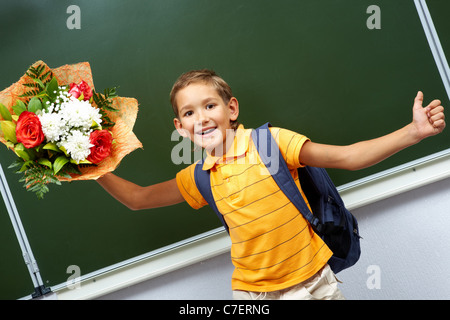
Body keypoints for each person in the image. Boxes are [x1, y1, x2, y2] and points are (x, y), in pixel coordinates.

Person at [97, 69, 445, 300]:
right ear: (180, 127)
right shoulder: (200, 176)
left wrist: (412, 133)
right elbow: (138, 199)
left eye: (209, 105)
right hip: (253, 296)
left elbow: (348, 157)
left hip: (313, 284)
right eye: (189, 113)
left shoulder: (271, 143)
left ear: (231, 108)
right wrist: (88, 168)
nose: (201, 117)